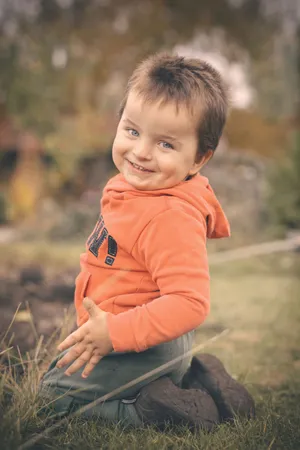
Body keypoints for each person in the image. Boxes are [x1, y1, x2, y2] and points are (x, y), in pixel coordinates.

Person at [39, 53, 255, 429]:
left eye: (166, 145)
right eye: (132, 131)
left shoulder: (168, 215)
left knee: (50, 397)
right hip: (147, 337)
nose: (141, 152)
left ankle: (149, 411)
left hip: (141, 343)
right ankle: (192, 380)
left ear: (199, 159)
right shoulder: (137, 188)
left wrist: (116, 333)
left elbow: (190, 302)